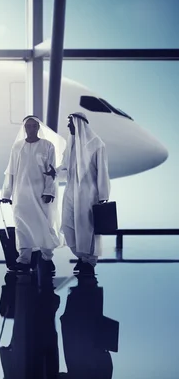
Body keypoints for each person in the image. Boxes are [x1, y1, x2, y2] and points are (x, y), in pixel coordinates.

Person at [0, 116, 66, 273]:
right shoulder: (17, 147)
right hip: (20, 194)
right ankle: (24, 260)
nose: (30, 129)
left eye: (33, 126)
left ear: (38, 128)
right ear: (25, 128)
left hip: (40, 194)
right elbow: (11, 171)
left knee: (44, 225)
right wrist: (7, 193)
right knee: (21, 226)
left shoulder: (47, 146)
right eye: (28, 126)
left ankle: (47, 257)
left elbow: (50, 172)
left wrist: (49, 191)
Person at [58, 112, 111, 274]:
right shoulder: (72, 143)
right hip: (70, 191)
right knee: (68, 225)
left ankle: (90, 261)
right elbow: (65, 165)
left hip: (88, 195)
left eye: (70, 123)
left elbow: (103, 171)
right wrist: (53, 171)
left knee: (87, 228)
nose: (68, 126)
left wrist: (103, 196)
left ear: (79, 124)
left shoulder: (97, 144)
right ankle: (81, 256)